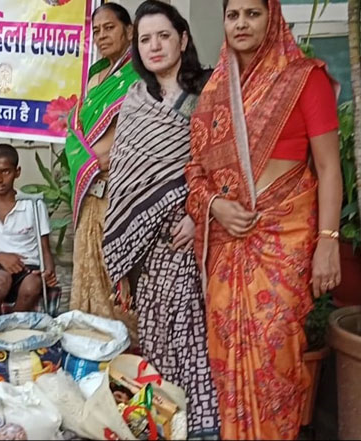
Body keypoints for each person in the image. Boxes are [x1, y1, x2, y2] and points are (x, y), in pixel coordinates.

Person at [187, 0, 342, 437]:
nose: (241, 23)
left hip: (282, 240)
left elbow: (329, 167)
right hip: (226, 241)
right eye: (233, 15)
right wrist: (215, 205)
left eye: (252, 14)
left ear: (272, 17)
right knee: (225, 353)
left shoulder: (303, 78)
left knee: (277, 350)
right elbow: (195, 170)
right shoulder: (215, 90)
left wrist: (328, 240)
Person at [103, 2, 219, 437]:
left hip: (192, 237)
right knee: (154, 332)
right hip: (145, 247)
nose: (154, 46)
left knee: (191, 332)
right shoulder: (135, 100)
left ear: (183, 39)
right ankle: (164, 423)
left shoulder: (209, 92)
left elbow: (223, 165)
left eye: (163, 36)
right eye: (145, 39)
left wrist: (197, 214)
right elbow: (124, 175)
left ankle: (201, 424)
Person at [65, 3, 139, 342]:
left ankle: (125, 351)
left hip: (120, 193)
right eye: (96, 30)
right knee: (87, 274)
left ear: (129, 31)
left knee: (117, 278)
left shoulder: (139, 77)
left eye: (110, 28)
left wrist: (113, 156)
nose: (102, 35)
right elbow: (75, 133)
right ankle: (90, 349)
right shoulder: (95, 78)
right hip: (90, 193)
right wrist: (90, 162)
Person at [0, 144, 57, 323]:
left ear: (17, 172)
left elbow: (45, 249)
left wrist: (48, 271)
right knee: (1, 280)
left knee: (31, 286)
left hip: (29, 269)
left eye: (5, 172)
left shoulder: (33, 205)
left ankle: (9, 327)